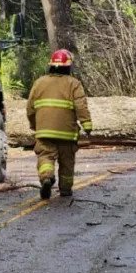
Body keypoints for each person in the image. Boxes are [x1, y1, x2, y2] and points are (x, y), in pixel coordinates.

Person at [26, 49, 92, 199]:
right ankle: (65, 190)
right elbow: (81, 106)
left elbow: (30, 108)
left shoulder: (39, 83)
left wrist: (34, 125)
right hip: (67, 133)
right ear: (68, 66)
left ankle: (47, 177)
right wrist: (87, 125)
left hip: (44, 131)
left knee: (45, 157)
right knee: (67, 162)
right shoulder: (74, 84)